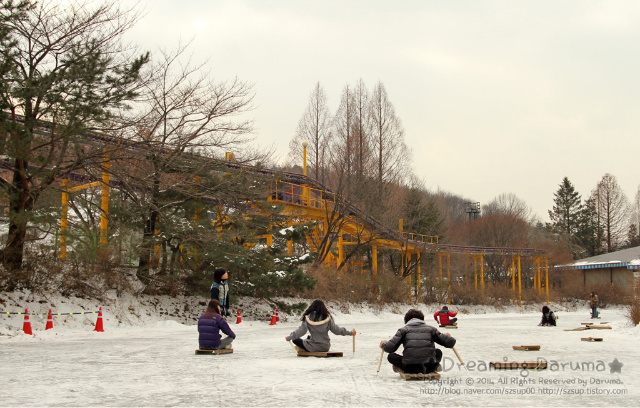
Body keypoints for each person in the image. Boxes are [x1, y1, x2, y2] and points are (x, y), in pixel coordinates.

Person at [381, 309, 456, 374]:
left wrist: (384, 344)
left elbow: (389, 348)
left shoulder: (403, 330)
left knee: (391, 356)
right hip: (428, 367)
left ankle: (401, 367)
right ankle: (435, 366)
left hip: (409, 367)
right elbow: (451, 343)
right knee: (438, 352)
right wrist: (446, 337)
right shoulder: (431, 329)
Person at [285, 299, 356, 352]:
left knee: (295, 339)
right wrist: (350, 333)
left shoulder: (308, 317)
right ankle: (308, 343)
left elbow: (301, 331)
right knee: (309, 337)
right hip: (325, 347)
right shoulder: (327, 318)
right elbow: (337, 330)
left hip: (313, 347)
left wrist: (289, 337)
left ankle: (304, 347)